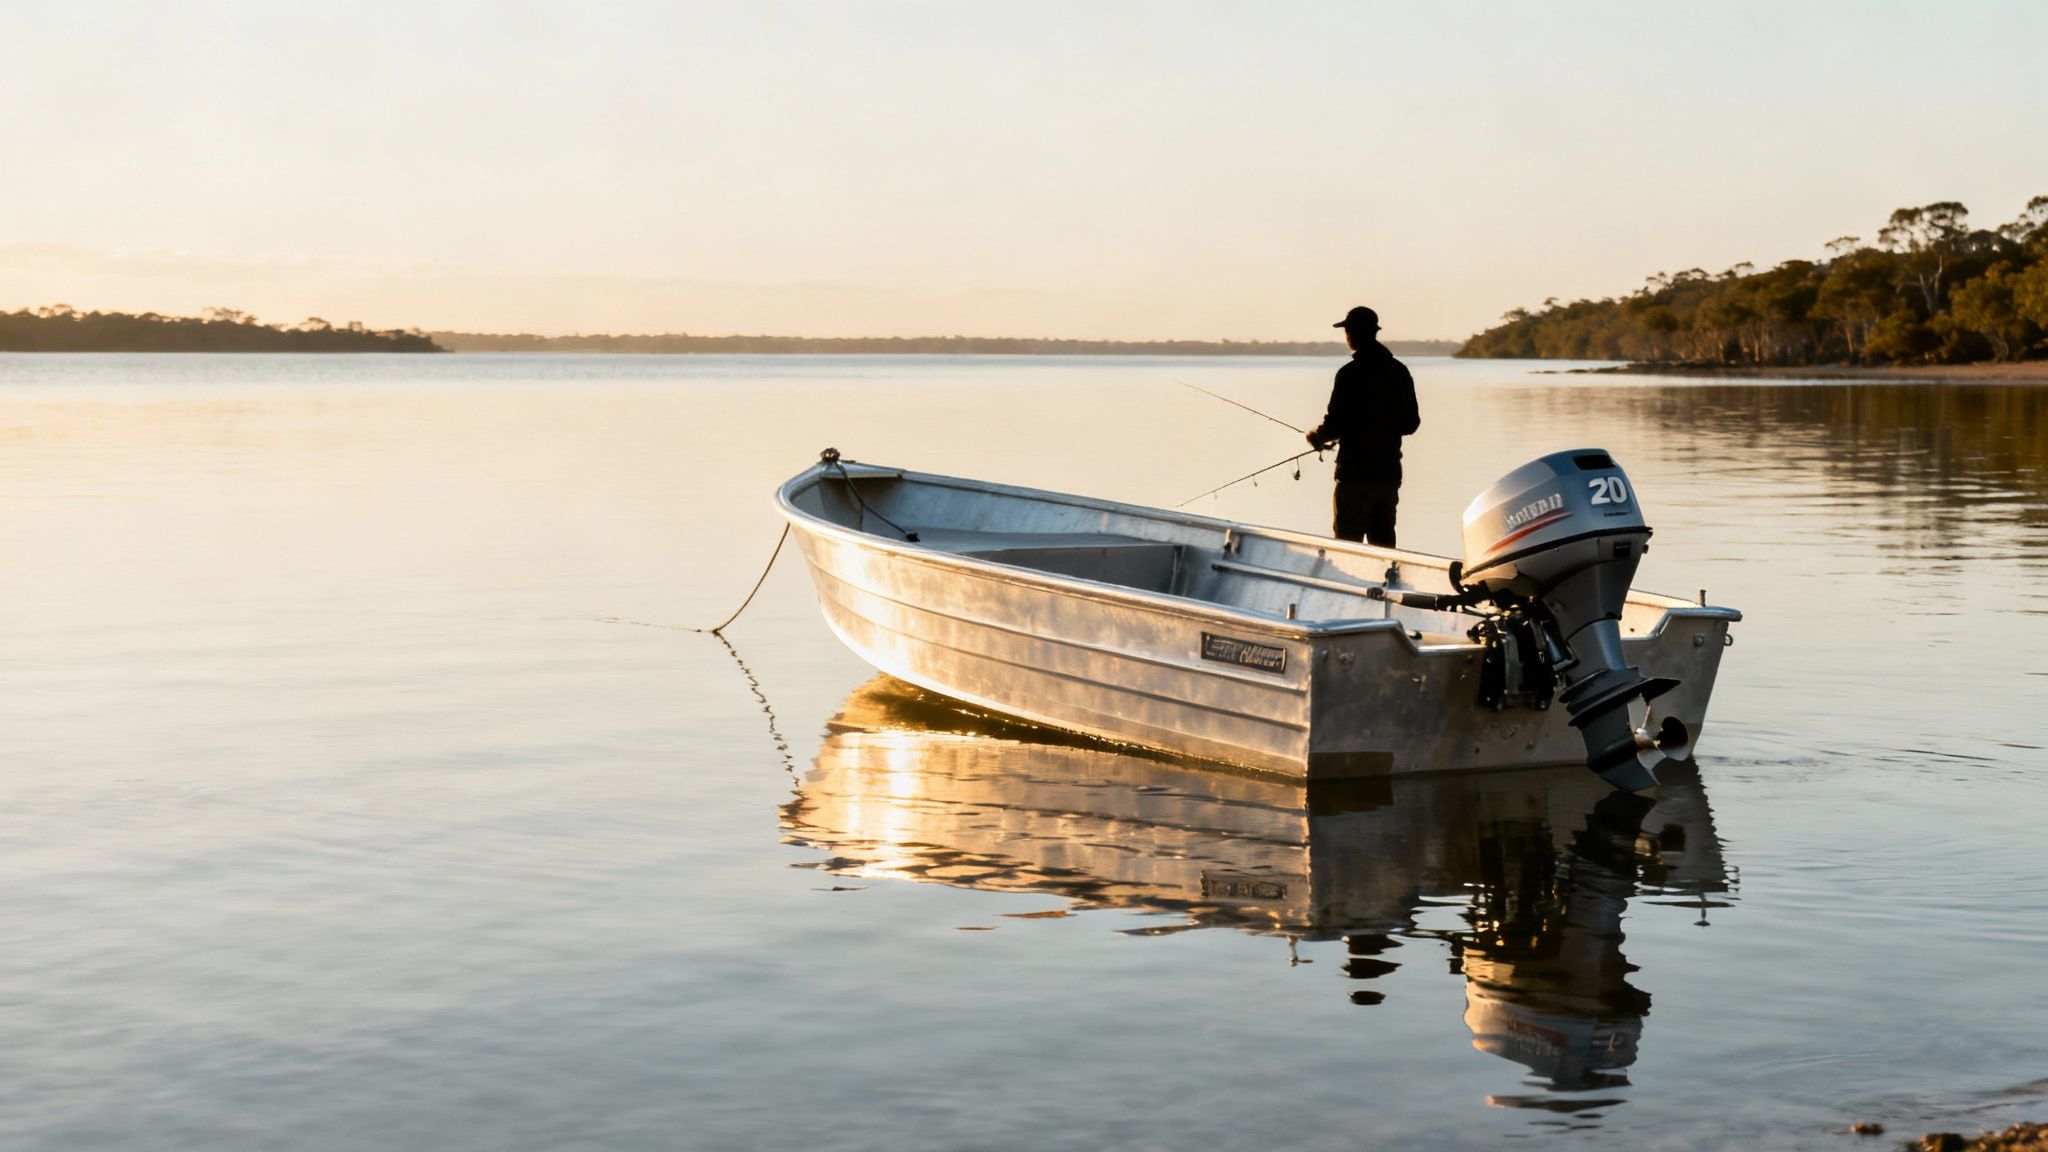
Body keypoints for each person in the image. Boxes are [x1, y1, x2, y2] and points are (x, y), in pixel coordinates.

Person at [1306, 305, 1420, 547]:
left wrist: (1317, 437)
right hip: (1388, 475)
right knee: (1384, 547)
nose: (1346, 336)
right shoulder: (1399, 371)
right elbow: (1412, 423)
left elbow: (1334, 424)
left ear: (1353, 334)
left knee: (1348, 548)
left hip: (1355, 476)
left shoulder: (1349, 374)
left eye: (1347, 331)